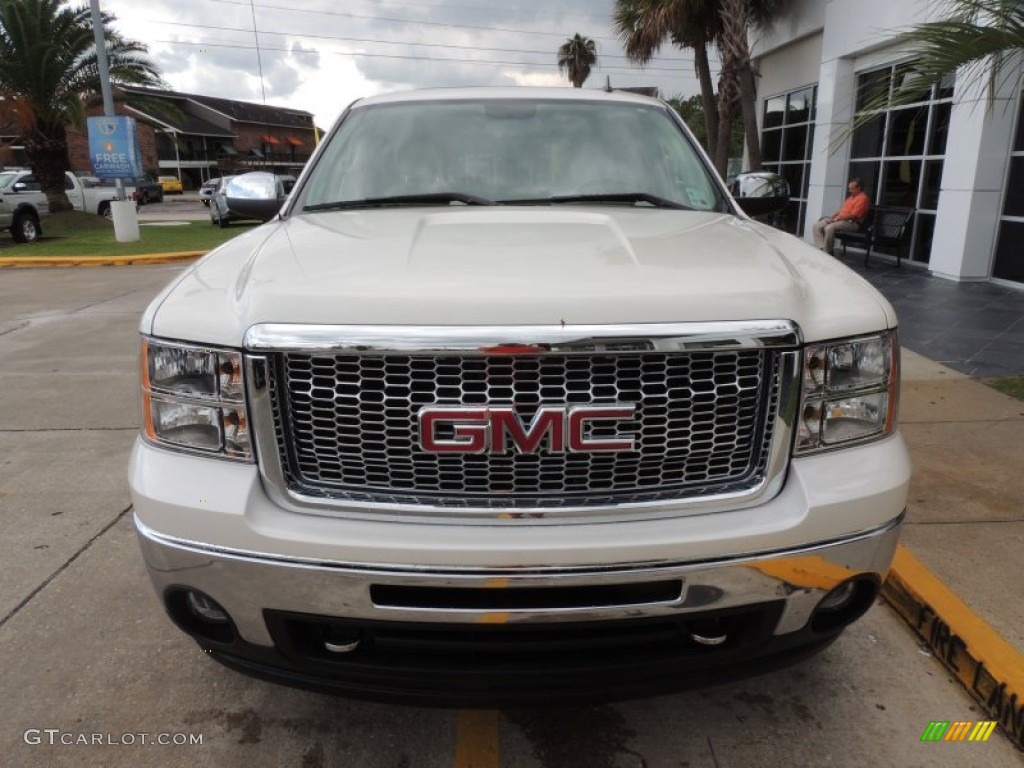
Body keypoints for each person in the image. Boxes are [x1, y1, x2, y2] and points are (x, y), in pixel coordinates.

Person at [813, 178, 870, 253]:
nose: (849, 191)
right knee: (817, 226)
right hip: (839, 220)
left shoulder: (863, 199)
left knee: (829, 228)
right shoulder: (850, 198)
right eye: (849, 189)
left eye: (851, 189)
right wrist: (833, 217)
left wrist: (836, 219)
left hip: (851, 223)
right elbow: (841, 211)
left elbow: (853, 216)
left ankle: (828, 252)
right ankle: (821, 249)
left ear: (858, 188)